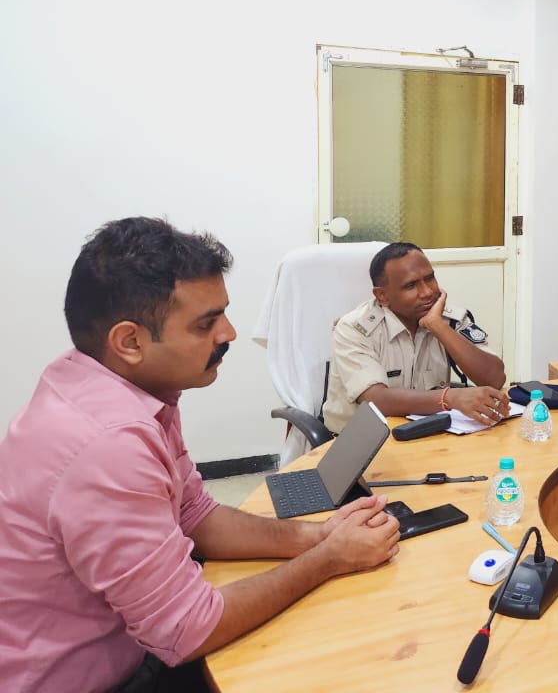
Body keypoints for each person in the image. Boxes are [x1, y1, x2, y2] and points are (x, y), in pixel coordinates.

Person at [0, 218, 401, 693]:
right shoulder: (107, 442)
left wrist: (317, 536)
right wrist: (329, 560)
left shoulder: (121, 387)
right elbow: (186, 630)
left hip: (135, 647)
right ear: (130, 342)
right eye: (206, 324)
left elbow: (195, 514)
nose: (228, 333)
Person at [325, 242, 508, 433]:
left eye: (429, 278)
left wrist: (439, 326)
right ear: (382, 296)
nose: (427, 292)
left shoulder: (449, 318)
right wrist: (449, 398)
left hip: (428, 433)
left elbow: (495, 379)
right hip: (362, 440)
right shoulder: (354, 328)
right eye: (411, 285)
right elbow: (376, 400)